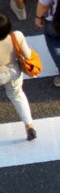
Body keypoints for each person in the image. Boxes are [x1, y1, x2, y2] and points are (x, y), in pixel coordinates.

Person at [0, 13, 37, 141]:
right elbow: (27, 55)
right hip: (13, 72)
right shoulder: (16, 36)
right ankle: (29, 126)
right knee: (17, 96)